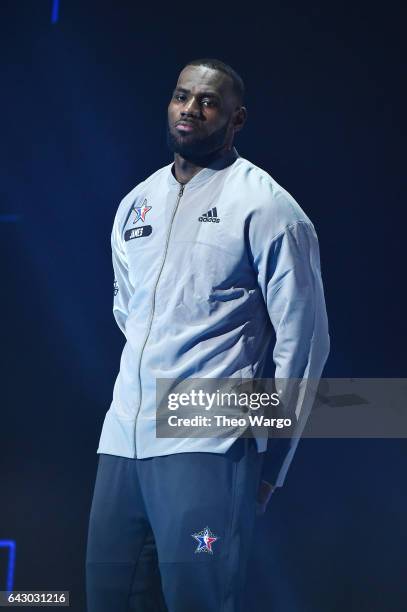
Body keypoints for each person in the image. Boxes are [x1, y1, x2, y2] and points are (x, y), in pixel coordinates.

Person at [85, 58, 330, 612]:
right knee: (107, 599)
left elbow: (304, 344)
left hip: (208, 438)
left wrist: (273, 460)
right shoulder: (136, 203)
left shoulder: (268, 206)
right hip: (122, 437)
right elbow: (131, 314)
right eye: (181, 96)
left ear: (236, 118)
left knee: (198, 600)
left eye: (207, 101)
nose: (190, 109)